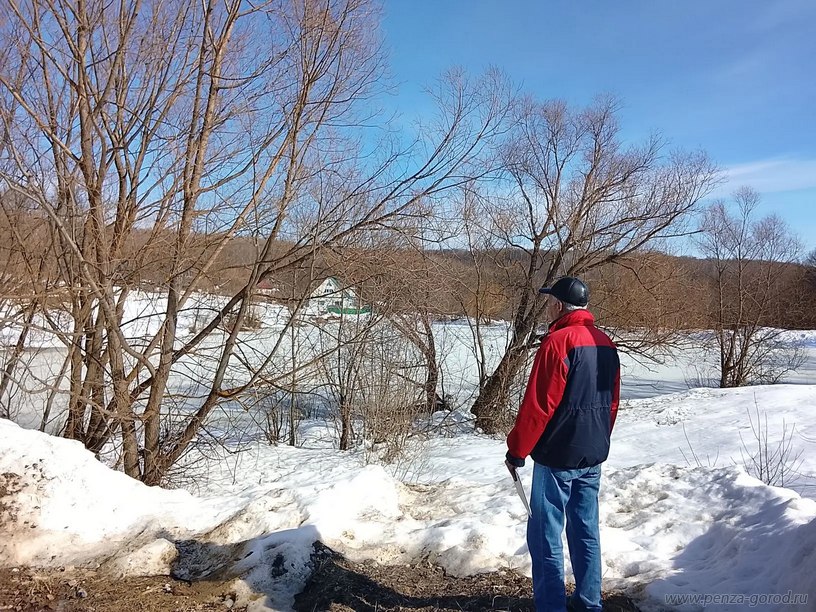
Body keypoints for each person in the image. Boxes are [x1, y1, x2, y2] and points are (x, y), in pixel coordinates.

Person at [505, 276, 620, 612]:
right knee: (586, 530)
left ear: (558, 305)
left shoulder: (558, 343)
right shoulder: (605, 343)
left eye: (549, 302)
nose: (547, 308)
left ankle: (552, 606)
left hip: (557, 457)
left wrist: (517, 450)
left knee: (545, 536)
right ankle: (588, 603)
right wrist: (601, 438)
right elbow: (612, 402)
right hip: (592, 453)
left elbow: (539, 406)